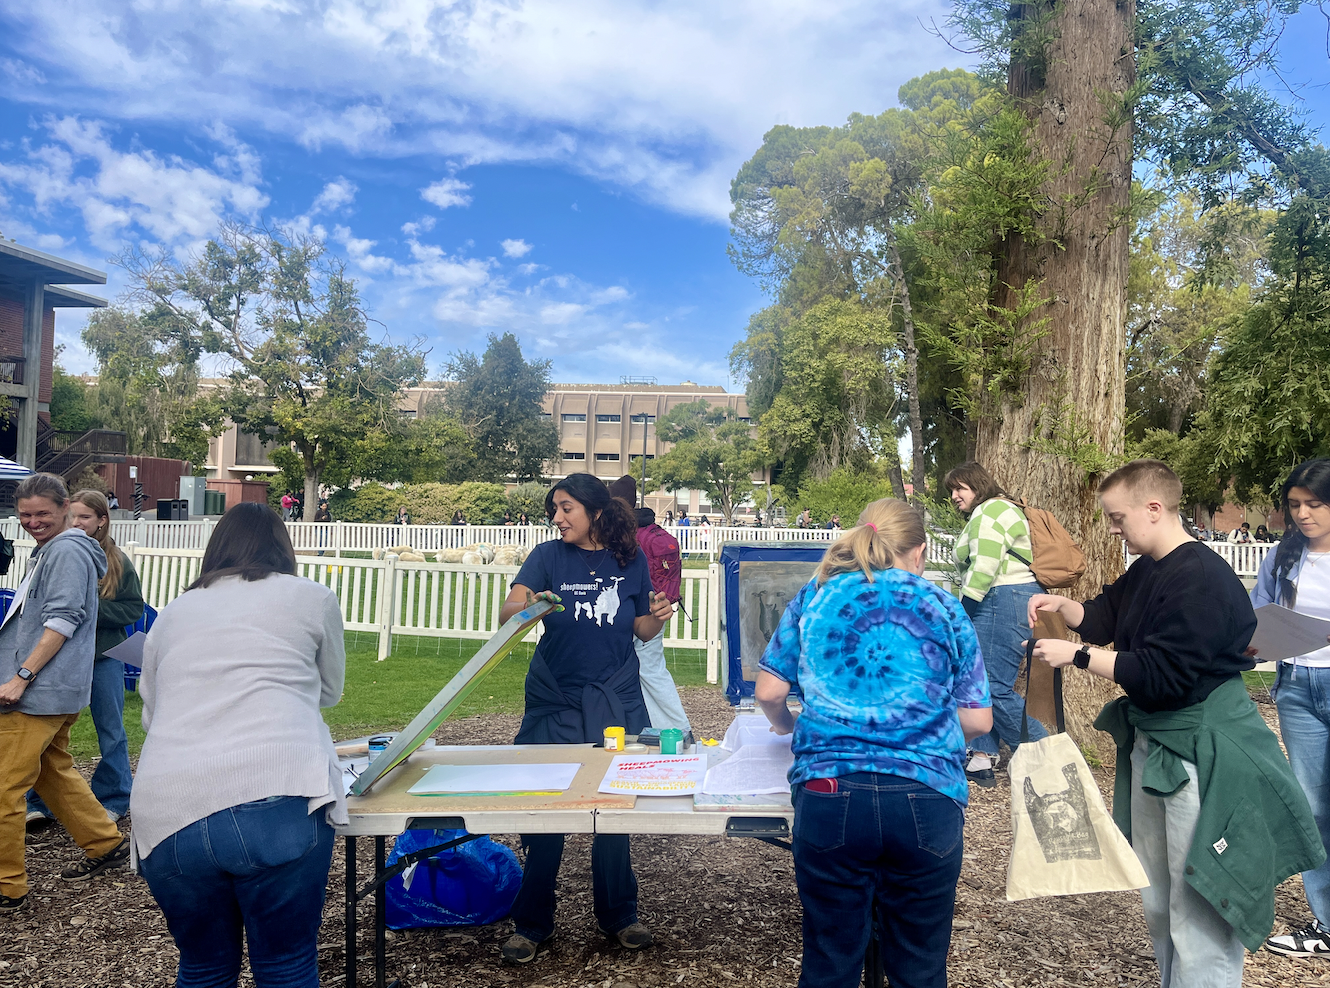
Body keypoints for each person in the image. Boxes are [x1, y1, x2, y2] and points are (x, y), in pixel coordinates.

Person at [1027, 459, 1322, 987]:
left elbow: (1161, 676)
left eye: (1118, 518)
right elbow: (1106, 615)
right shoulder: (1150, 567)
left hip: (1201, 751)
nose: (1113, 529)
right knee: (1160, 899)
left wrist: (1076, 657)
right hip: (1157, 744)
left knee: (1200, 904)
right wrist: (1065, 607)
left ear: (1154, 509)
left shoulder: (1201, 578)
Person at [755, 498, 992, 988]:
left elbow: (770, 691)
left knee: (830, 958)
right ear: (919, 552)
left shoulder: (815, 595)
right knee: (920, 965)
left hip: (829, 790)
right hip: (927, 796)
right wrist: (927, 732)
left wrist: (791, 729)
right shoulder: (944, 607)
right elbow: (977, 719)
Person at [132, 502, 346, 986]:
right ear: (282, 547)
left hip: (169, 805)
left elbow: (152, 710)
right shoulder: (311, 596)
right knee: (285, 963)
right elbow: (329, 691)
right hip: (276, 786)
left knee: (203, 965)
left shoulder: (175, 610)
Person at [497, 473, 674, 964]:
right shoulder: (548, 556)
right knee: (542, 809)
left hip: (615, 700)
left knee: (613, 810)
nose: (557, 518)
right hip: (555, 699)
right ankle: (532, 923)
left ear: (595, 511)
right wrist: (526, 606)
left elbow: (638, 627)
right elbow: (508, 607)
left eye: (566, 508)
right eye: (555, 508)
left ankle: (620, 915)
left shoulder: (630, 559)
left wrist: (657, 616)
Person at [0, 473, 129, 913]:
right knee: (50, 770)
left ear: (63, 509)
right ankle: (104, 843)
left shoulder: (68, 550)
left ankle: (8, 885)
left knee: (4, 788)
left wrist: (22, 675)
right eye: (24, 514)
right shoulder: (53, 550)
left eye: (42, 514)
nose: (32, 521)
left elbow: (62, 619)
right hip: (51, 687)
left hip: (38, 691)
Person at [26, 491, 144, 828]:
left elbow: (132, 608)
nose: (77, 523)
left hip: (103, 657)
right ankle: (40, 802)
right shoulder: (54, 555)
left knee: (112, 730)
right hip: (59, 659)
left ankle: (114, 798)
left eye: (85, 518)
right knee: (47, 733)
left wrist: (87, 607)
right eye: (72, 517)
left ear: (102, 521)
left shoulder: (117, 561)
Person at [1251, 459, 1330, 958]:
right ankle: (1326, 924)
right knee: (1313, 809)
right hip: (1298, 688)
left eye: (1315, 504)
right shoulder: (1282, 558)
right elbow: (1257, 616)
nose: (1302, 514)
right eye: (1295, 505)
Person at [944, 461, 1048, 786]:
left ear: (978, 485)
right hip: (1006, 597)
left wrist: (964, 611)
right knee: (978, 680)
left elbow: (985, 566)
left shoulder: (990, 511)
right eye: (951, 490)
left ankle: (1047, 755)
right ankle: (980, 757)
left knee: (991, 685)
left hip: (1003, 597)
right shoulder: (991, 511)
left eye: (959, 488)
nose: (954, 496)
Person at [633, 506, 692, 734]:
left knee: (649, 671)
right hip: (660, 603)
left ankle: (676, 729)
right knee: (652, 669)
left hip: (640, 608)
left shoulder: (630, 536)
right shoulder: (656, 533)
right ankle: (674, 728)